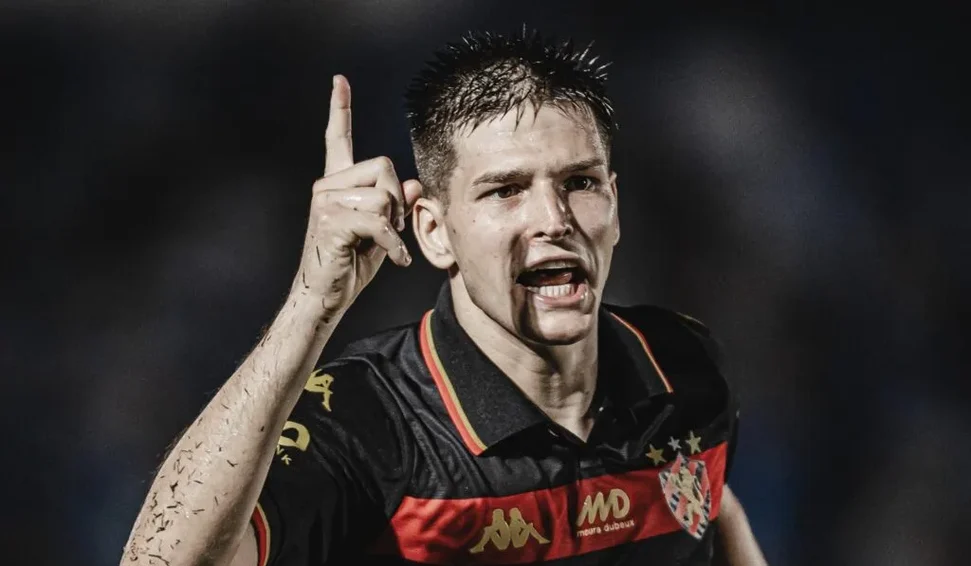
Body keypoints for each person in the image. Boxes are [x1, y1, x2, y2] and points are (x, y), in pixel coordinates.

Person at [121, 28, 767, 566]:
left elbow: (712, 509)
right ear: (434, 231)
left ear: (615, 205)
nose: (554, 219)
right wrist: (311, 301)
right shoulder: (366, 423)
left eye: (579, 181)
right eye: (505, 190)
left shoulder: (685, 365)